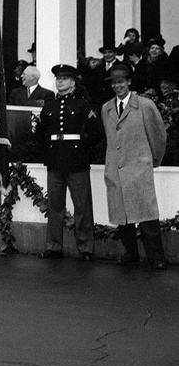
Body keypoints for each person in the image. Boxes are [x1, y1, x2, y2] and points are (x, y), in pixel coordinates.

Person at [101, 63, 168, 269]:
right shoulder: (106, 108)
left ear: (129, 81)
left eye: (120, 81)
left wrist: (152, 161)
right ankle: (131, 253)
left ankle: (156, 257)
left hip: (139, 168)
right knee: (123, 217)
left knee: (147, 215)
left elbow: (158, 136)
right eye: (113, 82)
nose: (117, 86)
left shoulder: (145, 105)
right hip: (116, 169)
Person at [34, 64, 103, 261]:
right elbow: (41, 134)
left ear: (72, 83)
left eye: (64, 79)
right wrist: (46, 151)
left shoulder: (82, 105)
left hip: (77, 161)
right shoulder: (49, 106)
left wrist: (82, 146)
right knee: (55, 206)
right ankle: (54, 246)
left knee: (82, 206)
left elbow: (97, 133)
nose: (60, 81)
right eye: (58, 78)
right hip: (55, 160)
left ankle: (86, 247)